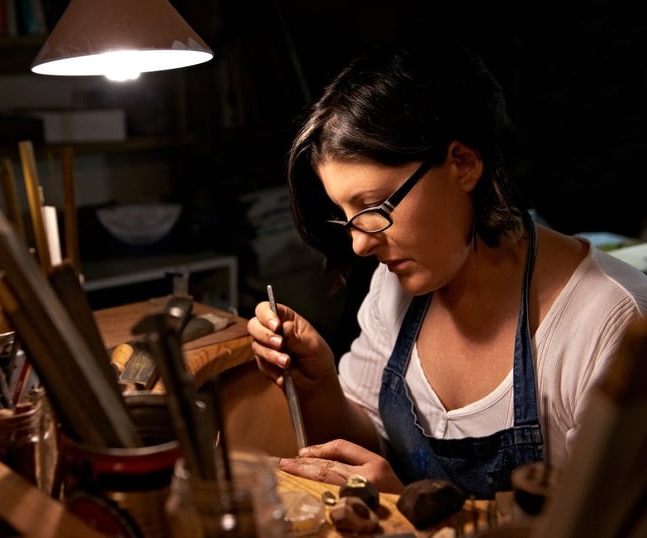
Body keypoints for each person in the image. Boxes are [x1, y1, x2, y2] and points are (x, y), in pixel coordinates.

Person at [247, 30, 647, 500]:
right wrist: (319, 386)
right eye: (347, 216)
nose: (359, 245)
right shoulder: (395, 287)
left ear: (462, 164)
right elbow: (372, 440)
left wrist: (411, 512)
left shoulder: (611, 325)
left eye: (374, 205)